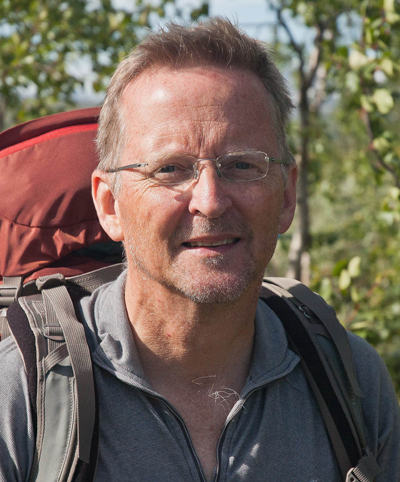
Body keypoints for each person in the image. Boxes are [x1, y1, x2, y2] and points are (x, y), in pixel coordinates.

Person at [1, 18, 399, 482]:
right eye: (170, 168)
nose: (210, 200)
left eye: (242, 165)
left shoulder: (350, 383)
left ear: (287, 196)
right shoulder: (21, 394)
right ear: (110, 205)